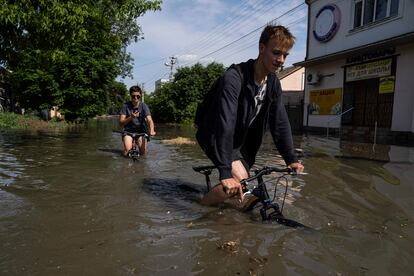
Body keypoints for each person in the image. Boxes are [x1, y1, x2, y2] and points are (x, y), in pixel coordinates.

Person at [195, 25, 304, 206]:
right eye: (276, 53)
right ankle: (198, 210)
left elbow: (280, 122)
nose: (281, 60)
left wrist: (291, 159)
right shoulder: (234, 78)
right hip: (215, 133)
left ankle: (222, 213)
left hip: (239, 140)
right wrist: (224, 171)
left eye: (285, 55)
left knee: (241, 186)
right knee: (240, 179)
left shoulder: (273, 82)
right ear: (262, 48)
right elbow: (225, 122)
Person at [119, 85, 156, 157]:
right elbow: (121, 123)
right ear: (130, 96)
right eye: (133, 96)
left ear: (140, 95)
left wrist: (152, 130)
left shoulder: (144, 106)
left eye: (138, 96)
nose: (135, 98)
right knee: (127, 151)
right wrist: (131, 117)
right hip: (128, 132)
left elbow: (149, 120)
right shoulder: (125, 106)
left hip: (141, 132)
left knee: (143, 153)